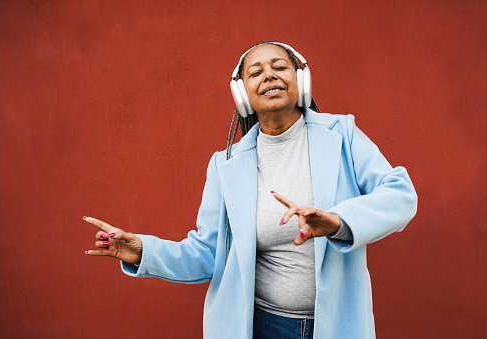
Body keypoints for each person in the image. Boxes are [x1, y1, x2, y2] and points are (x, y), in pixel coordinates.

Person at [84, 42, 417, 339]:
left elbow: (400, 195)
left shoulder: (341, 134)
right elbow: (206, 253)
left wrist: (337, 222)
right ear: (242, 94)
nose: (269, 75)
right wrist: (143, 251)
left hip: (338, 324)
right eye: (256, 72)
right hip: (261, 326)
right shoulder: (225, 164)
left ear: (301, 81)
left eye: (279, 67)